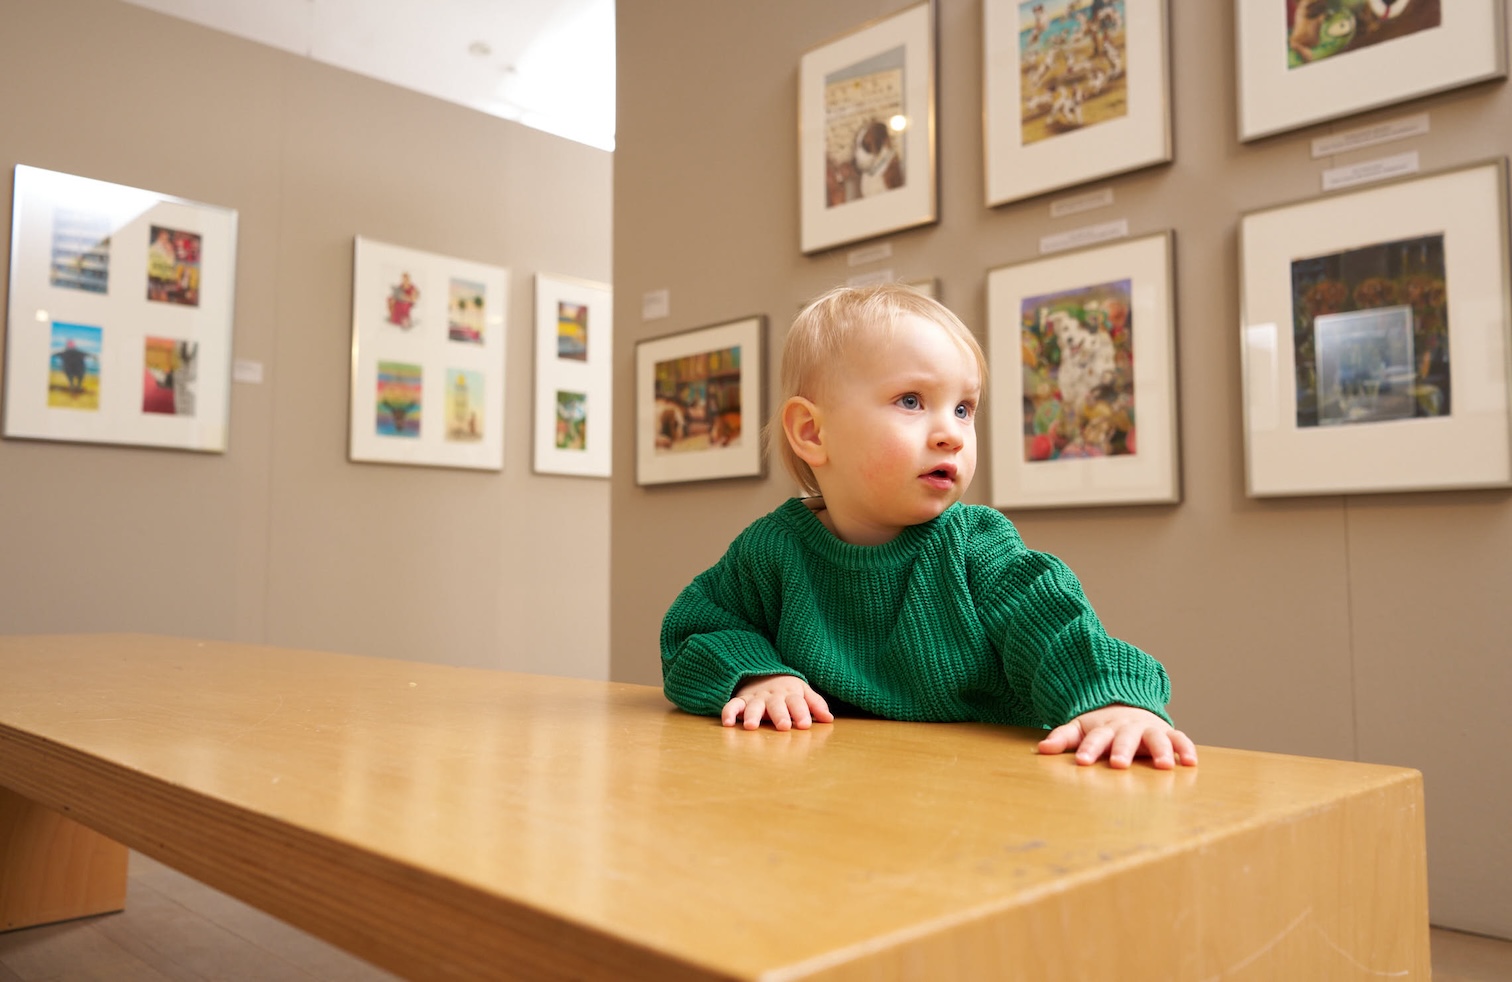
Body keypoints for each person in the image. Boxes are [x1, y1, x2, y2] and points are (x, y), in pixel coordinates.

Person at [660, 284, 1196, 770]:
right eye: (912, 401)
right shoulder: (773, 550)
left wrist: (1114, 702)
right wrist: (758, 675)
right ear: (812, 433)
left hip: (980, 795)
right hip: (831, 794)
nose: (952, 434)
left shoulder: (978, 546)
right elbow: (693, 631)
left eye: (964, 409)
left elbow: (1058, 629)